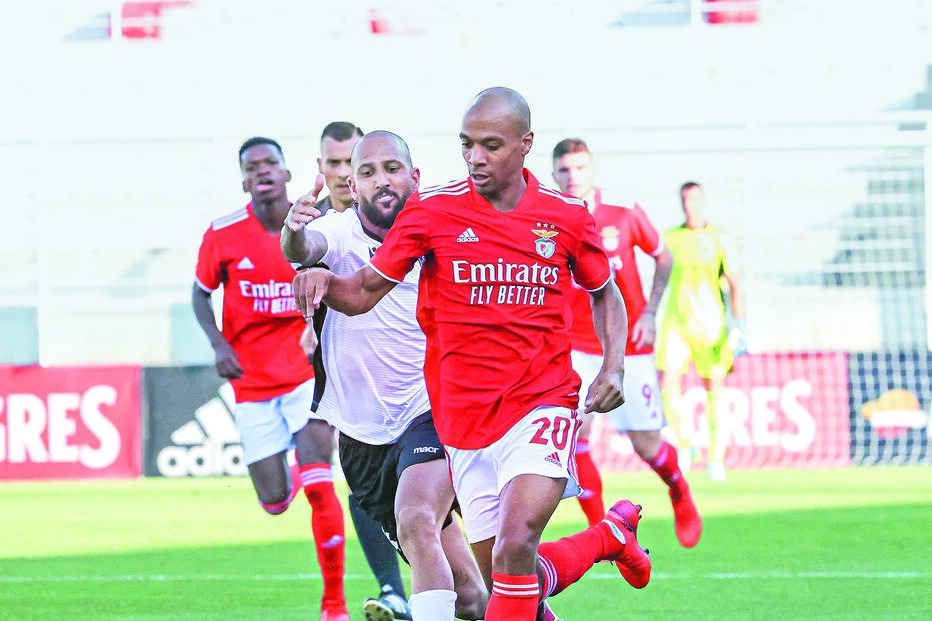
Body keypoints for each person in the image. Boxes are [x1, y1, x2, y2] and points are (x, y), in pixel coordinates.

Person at [292, 88, 652, 621]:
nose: (475, 157)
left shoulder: (567, 217)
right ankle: (607, 537)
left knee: (511, 545)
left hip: (541, 402)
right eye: (467, 145)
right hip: (463, 419)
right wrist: (320, 276)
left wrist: (613, 363)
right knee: (502, 577)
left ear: (525, 144)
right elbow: (365, 290)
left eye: (490, 145)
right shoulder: (433, 211)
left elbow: (605, 291)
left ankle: (597, 539)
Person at [282, 130, 488, 621]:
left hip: (431, 410)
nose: (382, 181)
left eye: (392, 169)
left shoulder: (443, 230)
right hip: (361, 437)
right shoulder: (337, 231)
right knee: (471, 597)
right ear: (353, 185)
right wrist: (294, 232)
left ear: (414, 176)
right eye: (368, 172)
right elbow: (301, 248)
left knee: (417, 519)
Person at [192, 137, 348, 621]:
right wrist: (219, 345)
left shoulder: (311, 226)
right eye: (252, 166)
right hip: (253, 386)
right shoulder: (223, 233)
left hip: (305, 375)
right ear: (244, 180)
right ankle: (295, 478)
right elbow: (199, 295)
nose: (262, 171)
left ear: (285, 174)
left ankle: (334, 605)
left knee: (320, 482)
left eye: (270, 163)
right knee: (276, 502)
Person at [551, 138, 701, 548]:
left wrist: (651, 312)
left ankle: (678, 489)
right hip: (575, 348)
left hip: (629, 346)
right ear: (553, 174)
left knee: (646, 444)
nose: (572, 177)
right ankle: (606, 534)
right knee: (572, 436)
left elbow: (663, 256)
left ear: (592, 170)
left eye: (580, 168)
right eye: (564, 170)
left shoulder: (624, 210)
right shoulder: (545, 217)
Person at [314, 120, 413, 619]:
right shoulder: (323, 230)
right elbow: (301, 251)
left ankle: (408, 594)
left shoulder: (416, 222)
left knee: (454, 529)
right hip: (353, 400)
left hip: (429, 402)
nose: (340, 172)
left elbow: (355, 294)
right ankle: (398, 590)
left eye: (347, 162)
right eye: (334, 163)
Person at [656, 181, 746, 481]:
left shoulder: (720, 238)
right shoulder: (670, 237)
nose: (688, 204)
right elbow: (659, 279)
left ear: (702, 201)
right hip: (675, 322)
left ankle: (716, 458)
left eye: (693, 199)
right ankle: (685, 444)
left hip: (711, 324)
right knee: (667, 383)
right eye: (683, 199)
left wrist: (739, 325)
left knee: (713, 390)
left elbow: (734, 284)